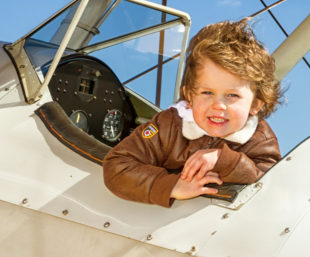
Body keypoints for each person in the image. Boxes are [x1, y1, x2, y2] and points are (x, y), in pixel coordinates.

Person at [103, 20, 281, 207]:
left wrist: (224, 160)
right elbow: (117, 166)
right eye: (207, 92)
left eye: (232, 95)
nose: (218, 105)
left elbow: (270, 185)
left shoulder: (261, 140)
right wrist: (171, 186)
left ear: (255, 105)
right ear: (189, 96)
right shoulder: (168, 124)